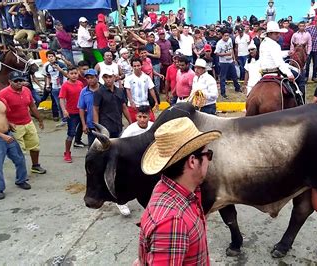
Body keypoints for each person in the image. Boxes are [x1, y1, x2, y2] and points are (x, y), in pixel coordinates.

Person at [137, 117, 221, 265]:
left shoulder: (165, 186)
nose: (209, 160)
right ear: (192, 161)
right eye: (208, 154)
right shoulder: (174, 223)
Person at [0, 71, 47, 174]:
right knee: (19, 152)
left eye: (20, 80)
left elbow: (32, 106)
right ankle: (22, 173)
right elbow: (0, 112)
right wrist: (7, 124)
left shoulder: (26, 91)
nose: (19, 83)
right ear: (10, 82)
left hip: (28, 123)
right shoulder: (3, 94)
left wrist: (39, 119)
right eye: (16, 81)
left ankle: (35, 166)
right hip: (15, 126)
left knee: (35, 145)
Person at [115, 105, 154, 216]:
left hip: (149, 160)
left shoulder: (153, 127)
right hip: (132, 160)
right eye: (140, 116)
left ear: (149, 116)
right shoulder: (130, 130)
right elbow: (121, 146)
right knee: (127, 182)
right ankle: (121, 202)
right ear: (136, 116)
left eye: (145, 117)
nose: (142, 119)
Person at [93, 69, 132, 138]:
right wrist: (97, 127)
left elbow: (124, 107)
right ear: (102, 78)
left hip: (118, 125)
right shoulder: (99, 92)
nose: (108, 79)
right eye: (106, 77)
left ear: (114, 77)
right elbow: (95, 110)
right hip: (105, 127)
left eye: (110, 77)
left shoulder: (120, 91)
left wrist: (130, 122)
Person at [59, 67, 84, 163]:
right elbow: (61, 99)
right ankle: (67, 152)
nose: (74, 75)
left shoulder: (80, 84)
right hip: (71, 113)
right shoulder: (65, 86)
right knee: (71, 133)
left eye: (75, 73)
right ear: (68, 75)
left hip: (81, 111)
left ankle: (78, 142)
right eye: (72, 73)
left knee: (85, 129)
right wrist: (64, 110)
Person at [44, 50, 68, 126]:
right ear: (47, 58)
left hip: (63, 86)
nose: (51, 58)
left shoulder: (61, 64)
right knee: (59, 104)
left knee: (66, 103)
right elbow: (48, 76)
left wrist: (59, 69)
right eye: (49, 57)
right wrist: (47, 85)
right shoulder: (47, 66)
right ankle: (64, 119)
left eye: (52, 56)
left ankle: (69, 118)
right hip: (54, 87)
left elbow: (66, 75)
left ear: (55, 57)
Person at [78, 69, 100, 147]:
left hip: (104, 123)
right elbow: (81, 108)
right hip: (91, 124)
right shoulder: (84, 91)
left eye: (92, 77)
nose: (90, 80)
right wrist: (84, 124)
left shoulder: (103, 89)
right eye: (88, 78)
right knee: (92, 148)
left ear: (97, 77)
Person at [216, 29, 241, 98]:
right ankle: (223, 92)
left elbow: (231, 49)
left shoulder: (230, 39)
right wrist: (225, 54)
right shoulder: (219, 43)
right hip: (223, 62)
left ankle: (237, 88)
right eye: (225, 36)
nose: (227, 37)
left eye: (228, 35)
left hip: (231, 61)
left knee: (234, 76)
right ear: (222, 36)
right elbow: (217, 53)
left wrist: (234, 58)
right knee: (223, 78)